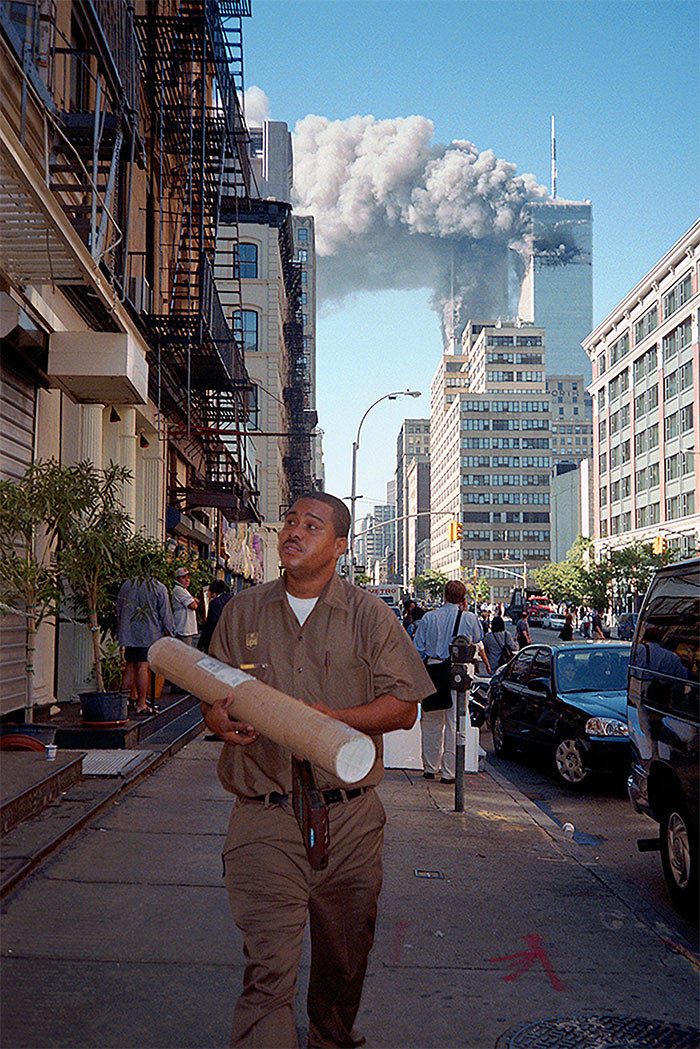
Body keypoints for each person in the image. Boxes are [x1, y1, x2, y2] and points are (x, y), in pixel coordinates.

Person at [203, 492, 433, 1049]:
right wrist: (221, 719)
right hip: (265, 816)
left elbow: (404, 707)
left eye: (312, 525)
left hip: (349, 821)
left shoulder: (369, 614)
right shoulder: (242, 612)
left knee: (343, 964)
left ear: (339, 546)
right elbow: (213, 698)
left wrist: (338, 719)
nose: (294, 532)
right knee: (267, 973)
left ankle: (331, 1037)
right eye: (290, 522)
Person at [413, 580, 483, 784]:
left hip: (433, 671)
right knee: (454, 723)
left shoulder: (429, 617)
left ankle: (429, 767)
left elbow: (419, 648)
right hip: (457, 673)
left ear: (443, 595)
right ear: (463, 599)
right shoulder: (469, 618)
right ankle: (449, 772)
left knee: (431, 722)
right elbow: (478, 637)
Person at [116, 558, 174, 715]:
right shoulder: (158, 587)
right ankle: (141, 703)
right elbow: (165, 613)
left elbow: (119, 609)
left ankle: (123, 703)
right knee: (143, 665)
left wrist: (121, 628)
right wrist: (169, 631)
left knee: (129, 665)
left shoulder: (127, 585)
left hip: (129, 632)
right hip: (149, 632)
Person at [198, 579, 234, 653]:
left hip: (218, 640)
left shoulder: (215, 603)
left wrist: (201, 644)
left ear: (214, 592)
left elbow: (211, 624)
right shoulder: (233, 599)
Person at [172, 566, 199, 645]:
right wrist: (194, 600)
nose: (187, 580)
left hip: (187, 628)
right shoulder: (178, 590)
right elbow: (193, 605)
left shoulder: (184, 590)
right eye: (184, 578)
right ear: (177, 579)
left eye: (188, 578)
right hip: (183, 628)